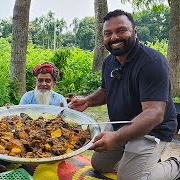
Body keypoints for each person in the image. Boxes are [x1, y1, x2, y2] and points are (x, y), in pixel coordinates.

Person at [69, 9, 180, 180]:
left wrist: (116, 137)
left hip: (153, 130)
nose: (114, 37)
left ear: (135, 31)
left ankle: (175, 165)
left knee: (128, 179)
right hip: (120, 125)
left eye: (121, 30)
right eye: (108, 33)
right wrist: (88, 101)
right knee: (98, 165)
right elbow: (106, 91)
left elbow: (154, 114)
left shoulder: (152, 62)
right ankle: (137, 159)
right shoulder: (109, 61)